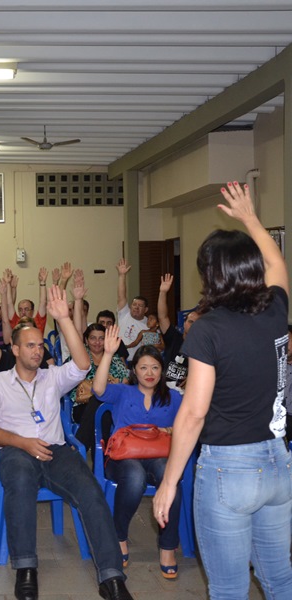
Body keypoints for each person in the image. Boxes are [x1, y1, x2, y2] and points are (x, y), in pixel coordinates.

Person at [153, 182, 292, 599]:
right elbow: (277, 262)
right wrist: (250, 217)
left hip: (229, 469)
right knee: (279, 580)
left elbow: (194, 413)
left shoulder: (209, 329)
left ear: (211, 275)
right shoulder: (275, 310)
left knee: (230, 589)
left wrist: (169, 482)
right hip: (277, 463)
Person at [0, 285, 134, 600]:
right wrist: (22, 442)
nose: (37, 350)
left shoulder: (52, 377)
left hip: (56, 450)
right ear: (16, 350)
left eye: (39, 345)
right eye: (30, 345)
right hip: (16, 452)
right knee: (20, 485)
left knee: (91, 491)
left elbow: (82, 365)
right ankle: (26, 569)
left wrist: (63, 318)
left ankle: (112, 577)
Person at [92, 327, 183, 578]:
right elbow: (98, 390)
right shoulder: (123, 392)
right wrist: (109, 354)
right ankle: (119, 535)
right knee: (134, 476)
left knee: (169, 477)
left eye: (155, 367)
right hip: (122, 457)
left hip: (158, 456)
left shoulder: (173, 398)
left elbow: (191, 423)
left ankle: (167, 546)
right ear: (134, 371)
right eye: (143, 367)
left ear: (162, 371)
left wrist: (171, 428)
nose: (149, 373)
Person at [71, 323, 129, 451]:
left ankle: (80, 448)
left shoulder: (114, 358)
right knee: (99, 402)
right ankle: (102, 459)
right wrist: (106, 385)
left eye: (101, 338)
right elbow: (72, 386)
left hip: (110, 406)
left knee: (102, 405)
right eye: (93, 338)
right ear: (86, 340)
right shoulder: (79, 357)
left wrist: (96, 385)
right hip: (83, 406)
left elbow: (126, 379)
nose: (97, 342)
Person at [156, 274, 200, 391]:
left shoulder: (203, 346)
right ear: (184, 324)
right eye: (190, 322)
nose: (193, 326)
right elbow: (162, 317)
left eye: (197, 323)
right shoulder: (174, 338)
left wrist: (193, 380)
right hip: (165, 390)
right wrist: (163, 292)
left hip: (188, 392)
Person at [115, 259, 148, 361]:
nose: (136, 307)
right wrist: (122, 276)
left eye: (140, 306)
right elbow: (121, 296)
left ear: (146, 309)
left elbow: (155, 347)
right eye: (134, 304)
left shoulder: (149, 325)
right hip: (119, 360)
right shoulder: (125, 314)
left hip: (136, 362)